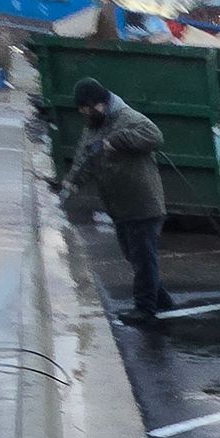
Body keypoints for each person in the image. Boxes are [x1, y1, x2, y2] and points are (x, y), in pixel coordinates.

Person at [66, 77, 171, 323]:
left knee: (143, 257)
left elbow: (155, 136)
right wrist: (72, 182)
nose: (86, 115)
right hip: (121, 206)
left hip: (143, 203)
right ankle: (161, 298)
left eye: (88, 110)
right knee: (135, 256)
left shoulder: (127, 117)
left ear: (100, 103)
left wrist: (113, 142)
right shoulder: (95, 124)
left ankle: (146, 309)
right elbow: (86, 157)